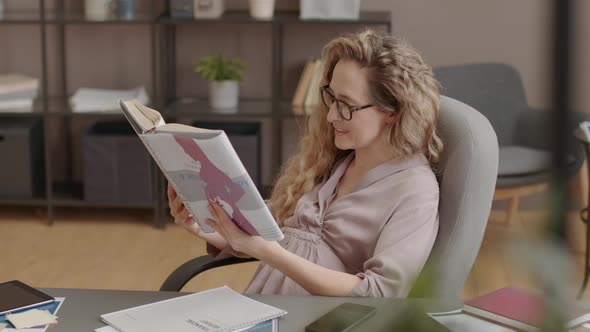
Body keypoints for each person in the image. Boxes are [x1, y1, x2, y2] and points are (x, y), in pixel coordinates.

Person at [168, 29, 443, 297]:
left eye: (346, 104)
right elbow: (260, 236)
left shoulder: (415, 191)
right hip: (264, 309)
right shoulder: (335, 162)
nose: (332, 116)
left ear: (392, 112)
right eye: (332, 98)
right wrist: (201, 224)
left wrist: (268, 252)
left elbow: (381, 292)